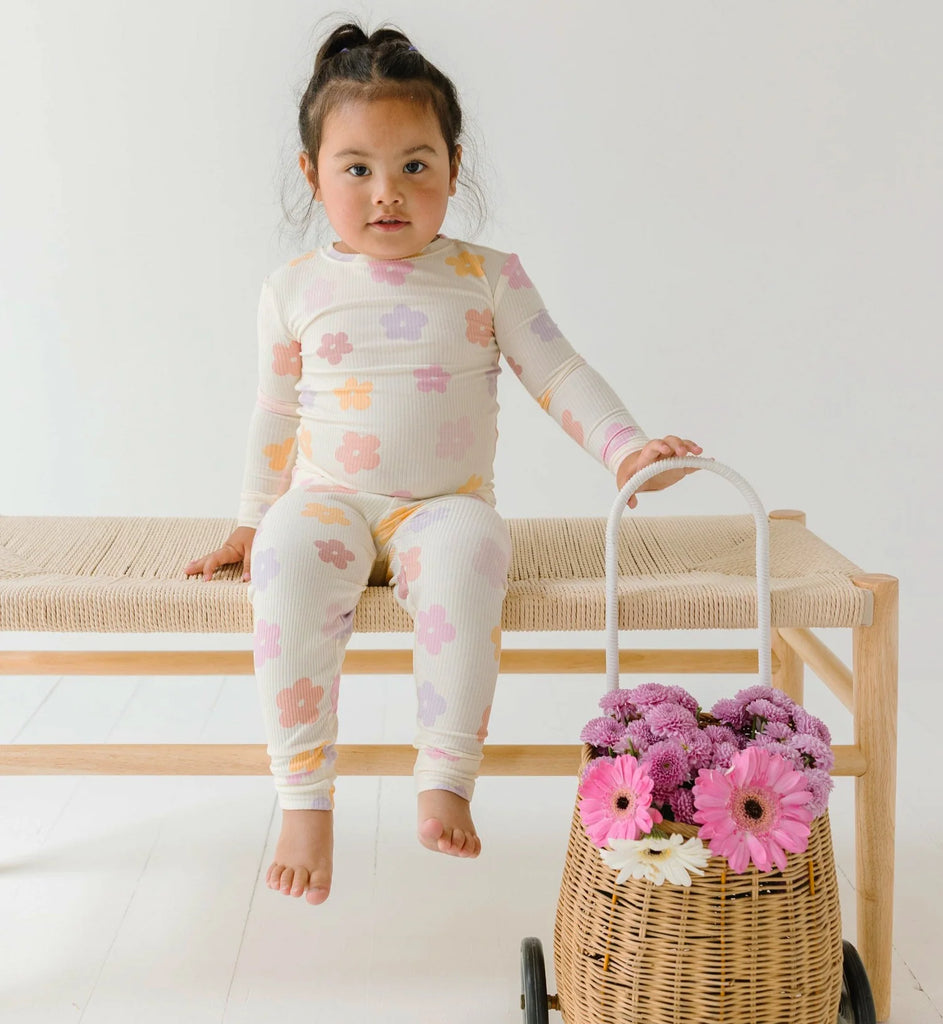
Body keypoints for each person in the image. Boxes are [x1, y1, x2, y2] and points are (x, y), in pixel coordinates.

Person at [184, 22, 703, 906]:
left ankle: (446, 775)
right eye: (357, 169)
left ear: (454, 168)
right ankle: (303, 795)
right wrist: (249, 520)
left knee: (472, 552)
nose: (387, 192)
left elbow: (559, 373)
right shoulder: (294, 289)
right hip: (327, 501)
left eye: (414, 165)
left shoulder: (486, 276)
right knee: (285, 558)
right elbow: (275, 412)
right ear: (312, 174)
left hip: (442, 507)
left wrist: (626, 448)